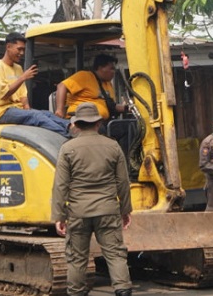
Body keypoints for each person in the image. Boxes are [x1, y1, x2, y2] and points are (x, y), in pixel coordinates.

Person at [51, 103, 133, 296]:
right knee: (115, 255)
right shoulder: (112, 146)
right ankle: (123, 291)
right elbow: (123, 182)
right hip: (108, 210)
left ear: (77, 125)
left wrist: (59, 216)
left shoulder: (68, 148)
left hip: (79, 212)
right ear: (98, 123)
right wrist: (125, 210)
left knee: (77, 258)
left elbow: (60, 186)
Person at [0, 32, 70, 137]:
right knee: (35, 116)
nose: (22, 53)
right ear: (8, 47)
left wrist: (27, 108)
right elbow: (3, 94)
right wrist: (23, 78)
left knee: (46, 114)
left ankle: (71, 127)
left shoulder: (18, 68)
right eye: (19, 49)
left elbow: (22, 94)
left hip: (17, 109)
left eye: (23, 50)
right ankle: (66, 136)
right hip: (2, 112)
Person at [54, 53, 126, 121]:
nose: (114, 71)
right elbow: (62, 86)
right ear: (100, 68)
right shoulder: (84, 76)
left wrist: (127, 108)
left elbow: (111, 106)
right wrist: (60, 109)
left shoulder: (108, 84)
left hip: (102, 122)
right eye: (111, 68)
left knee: (128, 128)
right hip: (82, 122)